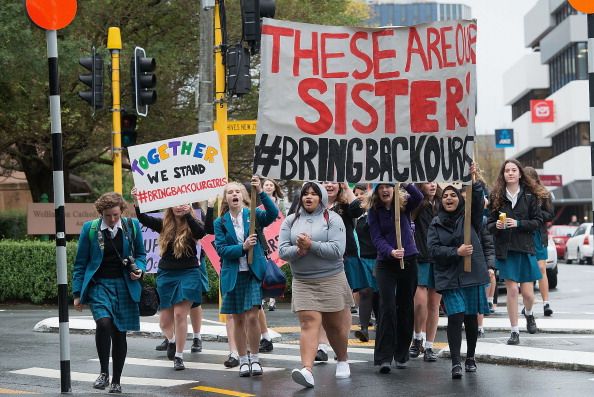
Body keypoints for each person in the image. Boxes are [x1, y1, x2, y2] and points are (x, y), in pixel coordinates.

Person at [279, 182, 352, 388]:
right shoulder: (291, 220)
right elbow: (283, 251)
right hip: (303, 280)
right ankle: (307, 370)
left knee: (334, 327)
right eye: (305, 194)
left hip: (331, 278)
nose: (309, 197)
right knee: (309, 322)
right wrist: (298, 251)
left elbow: (338, 250)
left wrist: (311, 245)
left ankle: (343, 359)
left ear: (321, 197)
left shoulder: (333, 219)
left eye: (313, 194)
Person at [72, 192, 146, 393]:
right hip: (100, 285)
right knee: (103, 323)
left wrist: (138, 270)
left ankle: (117, 380)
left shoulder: (132, 226)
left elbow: (140, 254)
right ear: (101, 214)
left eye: (115, 215)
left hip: (124, 285)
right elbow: (80, 263)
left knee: (119, 333)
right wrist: (77, 293)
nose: (112, 219)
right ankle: (104, 372)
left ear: (121, 211)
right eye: (108, 216)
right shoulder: (90, 229)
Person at [132, 188, 206, 371]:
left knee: (180, 314)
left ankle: (179, 356)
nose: (179, 206)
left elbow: (199, 233)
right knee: (164, 322)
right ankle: (171, 341)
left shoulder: (193, 222)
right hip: (166, 275)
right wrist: (137, 200)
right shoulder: (164, 224)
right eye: (177, 203)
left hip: (189, 273)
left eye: (184, 202)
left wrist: (189, 214)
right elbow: (142, 218)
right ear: (170, 206)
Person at [428, 170, 490, 379]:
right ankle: (456, 363)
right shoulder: (435, 224)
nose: (449, 198)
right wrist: (457, 252)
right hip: (450, 276)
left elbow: (478, 201)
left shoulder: (470, 217)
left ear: (460, 198)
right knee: (455, 317)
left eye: (453, 194)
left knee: (471, 318)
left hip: (471, 274)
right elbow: (433, 250)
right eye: (445, 195)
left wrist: (474, 182)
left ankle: (470, 357)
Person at [214, 176, 278, 377]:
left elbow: (273, 213)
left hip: (253, 274)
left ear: (243, 195)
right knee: (238, 319)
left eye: (237, 191)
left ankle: (255, 359)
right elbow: (222, 250)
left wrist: (260, 192)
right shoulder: (220, 222)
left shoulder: (253, 215)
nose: (234, 194)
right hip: (233, 276)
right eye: (230, 192)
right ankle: (243, 360)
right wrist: (242, 247)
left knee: (252, 316)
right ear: (226, 198)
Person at [367, 183, 423, 373]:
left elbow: (419, 197)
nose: (385, 190)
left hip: (408, 260)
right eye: (380, 187)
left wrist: (405, 181)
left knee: (405, 306)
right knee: (387, 307)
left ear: (394, 188)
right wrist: (390, 251)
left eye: (388, 186)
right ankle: (384, 357)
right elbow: (376, 238)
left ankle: (401, 353)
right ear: (376, 191)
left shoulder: (404, 205)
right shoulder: (374, 211)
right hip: (386, 263)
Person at [487, 159, 543, 345]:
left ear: (520, 174)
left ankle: (528, 313)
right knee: (512, 290)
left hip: (525, 248)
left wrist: (518, 224)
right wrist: (497, 225)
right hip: (506, 249)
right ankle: (514, 331)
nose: (510, 173)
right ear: (503, 174)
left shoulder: (530, 196)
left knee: (527, 294)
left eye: (513, 170)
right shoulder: (496, 196)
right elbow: (488, 225)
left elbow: (538, 222)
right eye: (507, 170)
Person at [410, 182, 442, 362]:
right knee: (419, 303)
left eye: (434, 181)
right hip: (420, 257)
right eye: (428, 181)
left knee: (434, 305)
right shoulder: (416, 203)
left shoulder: (443, 201)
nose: (432, 184)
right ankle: (417, 338)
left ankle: (429, 346)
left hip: (439, 259)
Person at [524, 166, 555, 317]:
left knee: (542, 268)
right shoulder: (520, 193)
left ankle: (546, 303)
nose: (529, 184)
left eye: (531, 181)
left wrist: (536, 213)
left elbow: (550, 214)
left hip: (539, 234)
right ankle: (527, 304)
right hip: (524, 234)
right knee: (528, 270)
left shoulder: (544, 194)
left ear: (536, 179)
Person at [352, 184, 379, 343]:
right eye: (356, 194)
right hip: (362, 259)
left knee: (378, 294)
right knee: (365, 292)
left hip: (378, 258)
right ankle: (363, 328)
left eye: (363, 193)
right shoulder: (354, 216)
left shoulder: (376, 212)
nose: (360, 196)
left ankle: (380, 324)